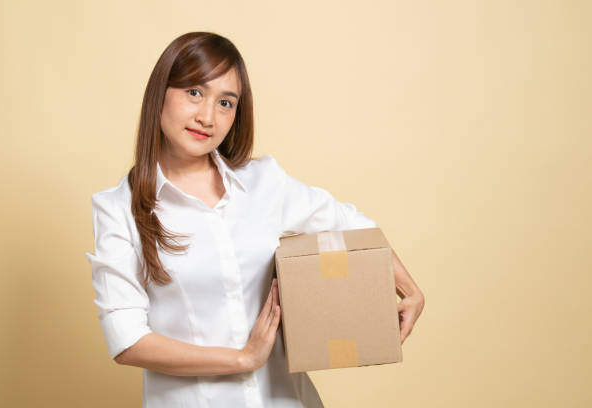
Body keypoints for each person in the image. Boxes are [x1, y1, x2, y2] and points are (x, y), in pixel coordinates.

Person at [84, 31, 425, 408]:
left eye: (226, 102)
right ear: (160, 93)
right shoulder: (118, 208)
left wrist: (409, 290)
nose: (207, 117)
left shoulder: (264, 182)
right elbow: (127, 341)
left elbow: (347, 223)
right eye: (194, 92)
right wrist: (243, 359)